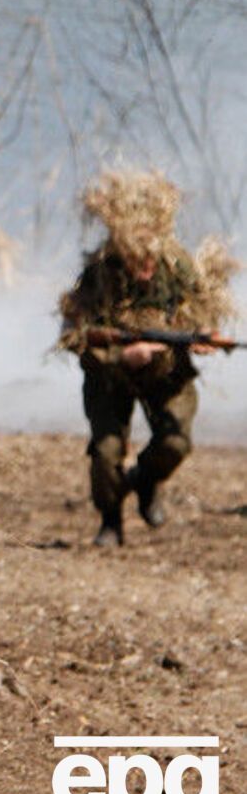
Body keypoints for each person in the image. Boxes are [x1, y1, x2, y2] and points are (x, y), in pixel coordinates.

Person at [59, 170, 237, 547]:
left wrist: (201, 338)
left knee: (175, 443)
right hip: (110, 376)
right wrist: (122, 355)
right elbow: (75, 338)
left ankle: (145, 480)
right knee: (106, 453)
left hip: (165, 372)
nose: (144, 269)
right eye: (136, 260)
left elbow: (201, 313)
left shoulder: (177, 268)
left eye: (150, 260)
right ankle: (111, 520)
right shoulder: (98, 277)